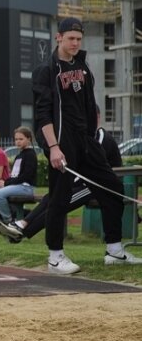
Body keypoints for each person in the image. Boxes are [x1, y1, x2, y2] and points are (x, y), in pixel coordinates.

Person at [32, 17, 141, 275]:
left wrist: (92, 136)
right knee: (59, 199)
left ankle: (114, 251)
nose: (75, 43)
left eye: (79, 39)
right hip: (62, 142)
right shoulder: (46, 70)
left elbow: (90, 103)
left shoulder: (82, 66)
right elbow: (42, 114)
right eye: (70, 38)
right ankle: (55, 257)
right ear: (58, 37)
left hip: (86, 141)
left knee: (112, 187)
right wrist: (54, 148)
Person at [0, 106, 123, 243]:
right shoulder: (85, 139)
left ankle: (21, 233)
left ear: (96, 118)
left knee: (60, 203)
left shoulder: (102, 139)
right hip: (84, 182)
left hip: (99, 186)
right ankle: (22, 224)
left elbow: (95, 169)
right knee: (51, 196)